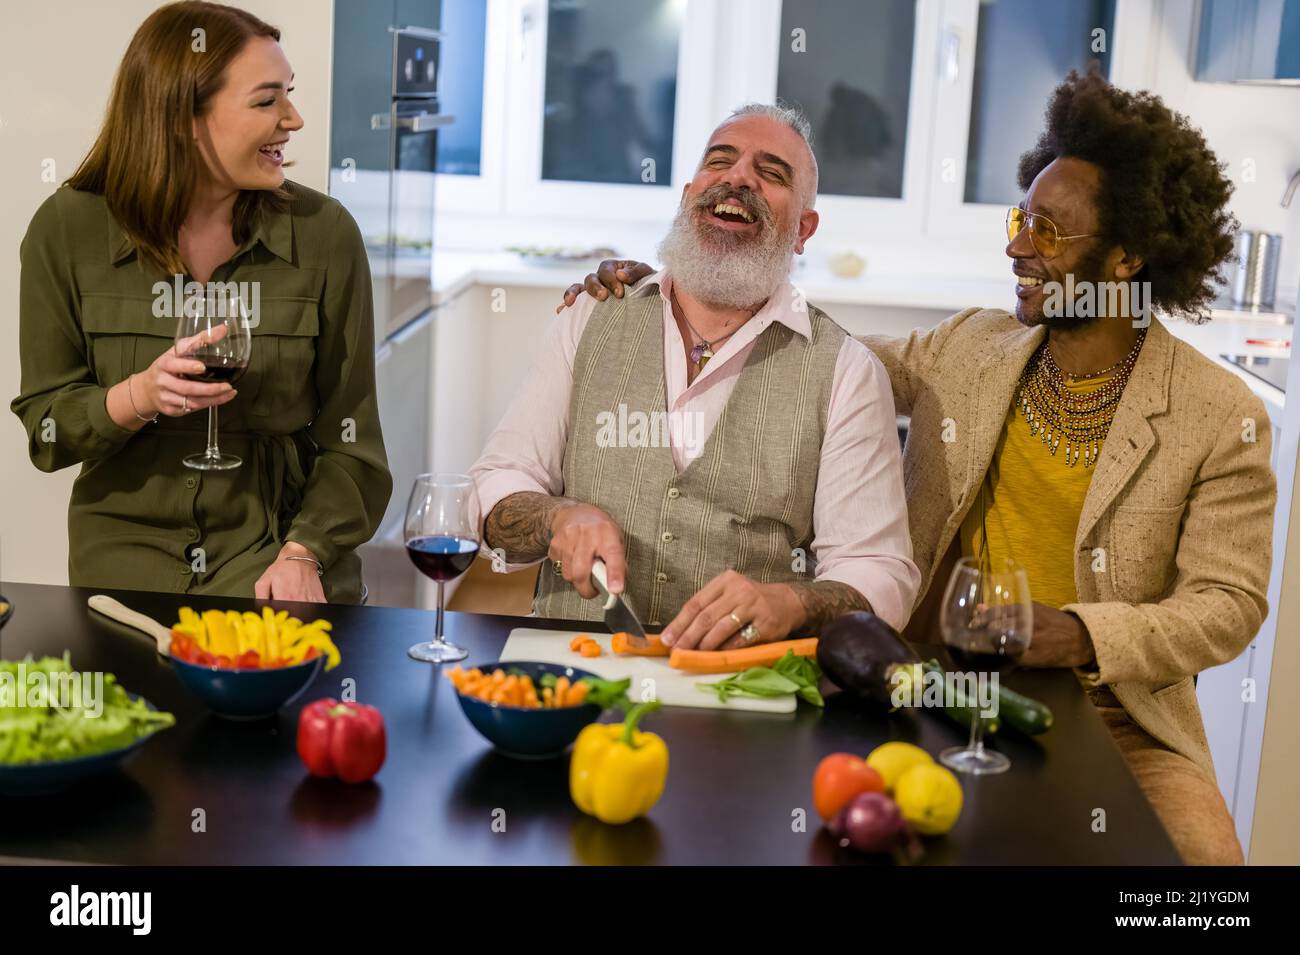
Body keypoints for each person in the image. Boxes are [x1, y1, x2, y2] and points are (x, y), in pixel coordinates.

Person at [562, 73, 1276, 865]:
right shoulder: (971, 348)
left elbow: (1229, 603)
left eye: (1048, 229)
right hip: (932, 683)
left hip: (1122, 720)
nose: (1017, 245)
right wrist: (680, 293)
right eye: (1019, 217)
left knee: (1208, 880)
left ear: (1125, 258)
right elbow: (814, 365)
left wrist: (1076, 634)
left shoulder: (1219, 414)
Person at [472, 104, 919, 649]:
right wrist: (557, 518)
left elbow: (880, 572)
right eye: (720, 161)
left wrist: (792, 601)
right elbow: (495, 487)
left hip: (742, 687)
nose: (738, 177)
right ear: (688, 198)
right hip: (576, 665)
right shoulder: (591, 317)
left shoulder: (847, 372)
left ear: (803, 229)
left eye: (772, 173)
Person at [11, 1, 391, 603]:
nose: (292, 119)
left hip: (276, 558)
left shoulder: (325, 233)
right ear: (183, 116)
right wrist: (139, 396)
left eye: (287, 95)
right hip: (123, 566)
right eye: (267, 101)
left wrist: (305, 552)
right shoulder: (66, 230)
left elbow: (354, 442)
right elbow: (48, 431)